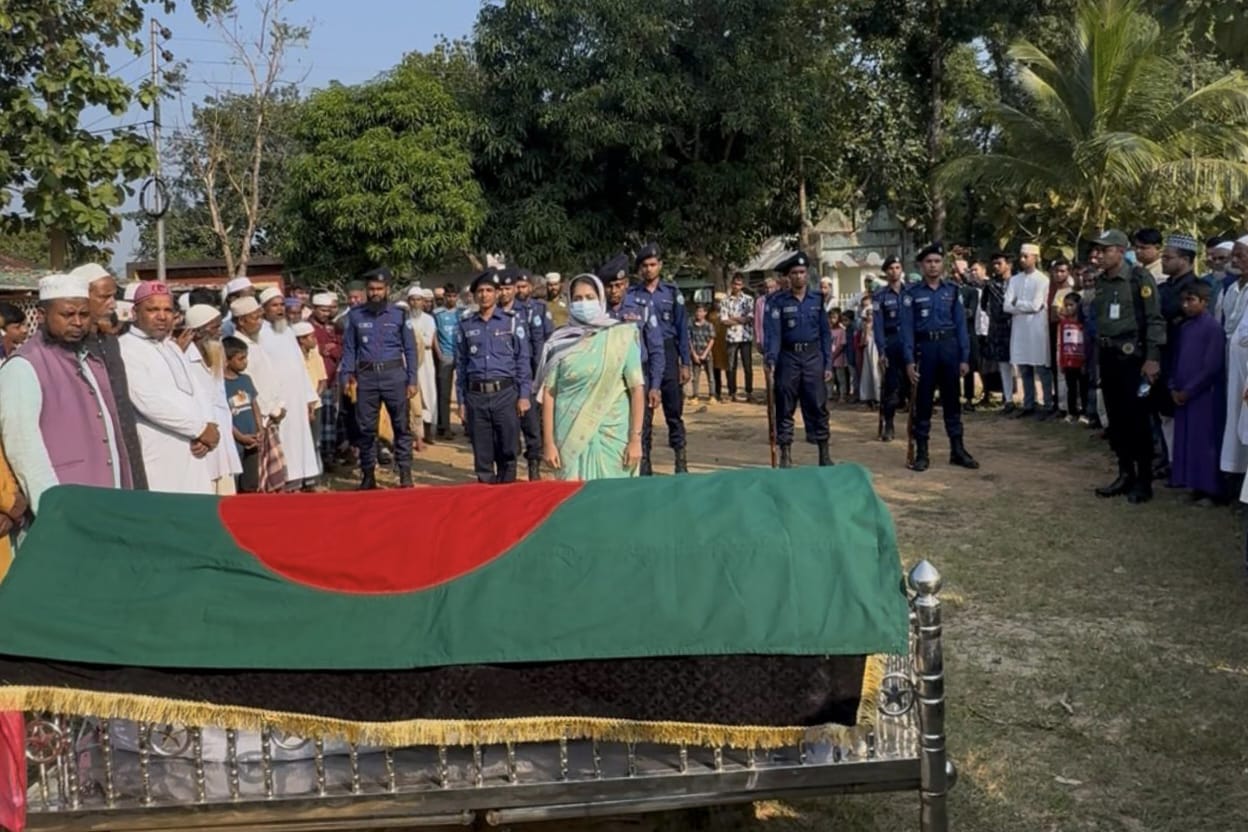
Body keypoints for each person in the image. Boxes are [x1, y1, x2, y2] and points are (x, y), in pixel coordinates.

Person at [0, 274, 137, 514]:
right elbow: (24, 450)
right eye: (67, 314)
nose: (77, 322)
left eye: (84, 314)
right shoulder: (24, 366)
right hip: (65, 508)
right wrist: (54, 512)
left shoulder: (89, 360)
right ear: (41, 315)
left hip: (106, 501)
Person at [536, 273, 645, 480]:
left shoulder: (621, 336)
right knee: (575, 496)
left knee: (614, 495)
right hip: (568, 437)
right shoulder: (559, 342)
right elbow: (549, 394)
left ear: (601, 299)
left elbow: (637, 389)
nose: (583, 303)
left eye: (589, 297)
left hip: (613, 437)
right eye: (577, 299)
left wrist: (635, 440)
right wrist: (549, 443)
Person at [119, 282, 216, 495]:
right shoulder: (126, 348)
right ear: (135, 312)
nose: (162, 316)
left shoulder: (172, 346)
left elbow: (197, 391)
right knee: (166, 508)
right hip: (160, 453)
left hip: (194, 448)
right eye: (153, 309)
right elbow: (146, 401)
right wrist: (199, 429)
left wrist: (209, 425)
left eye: (167, 310)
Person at [1091, 229, 1166, 504]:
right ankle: (1125, 473)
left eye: (1105, 250)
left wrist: (1152, 357)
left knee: (1137, 419)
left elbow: (1155, 319)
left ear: (1121, 252)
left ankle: (1144, 480)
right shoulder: (1101, 281)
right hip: (1108, 354)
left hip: (1133, 356)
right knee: (1116, 419)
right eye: (1098, 250)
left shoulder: (1138, 278)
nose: (1099, 255)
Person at [69, 263, 150, 489]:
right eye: (104, 297)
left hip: (126, 442)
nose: (112, 304)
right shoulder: (69, 348)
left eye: (113, 296)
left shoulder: (109, 341)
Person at [899, 243, 978, 472]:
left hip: (949, 349)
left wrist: (964, 357)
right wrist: (909, 361)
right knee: (923, 403)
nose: (933, 266)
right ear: (921, 266)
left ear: (943, 264)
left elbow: (961, 326)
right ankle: (922, 453)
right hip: (925, 351)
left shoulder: (952, 291)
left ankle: (957, 450)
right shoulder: (911, 294)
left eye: (937, 261)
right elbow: (906, 330)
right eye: (928, 262)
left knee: (952, 401)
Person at [340, 268, 418, 490]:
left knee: (401, 426)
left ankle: (404, 472)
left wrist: (412, 380)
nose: (375, 293)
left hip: (394, 376)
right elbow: (350, 349)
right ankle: (368, 475)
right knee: (366, 429)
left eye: (379, 289)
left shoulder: (399, 315)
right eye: (371, 289)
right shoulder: (356, 316)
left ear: (387, 290)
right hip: (366, 378)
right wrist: (346, 375)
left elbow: (410, 349)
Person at [456, 268, 532, 484]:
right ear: (474, 295)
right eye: (480, 291)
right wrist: (461, 401)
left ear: (497, 293)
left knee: (508, 450)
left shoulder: (511, 322)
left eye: (489, 290)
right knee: (483, 454)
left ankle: (507, 494)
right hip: (476, 396)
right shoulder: (466, 325)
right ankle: (487, 495)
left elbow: (522, 360)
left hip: (505, 394)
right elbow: (461, 365)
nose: (484, 295)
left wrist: (524, 395)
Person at [763, 252, 832, 468]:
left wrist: (828, 363)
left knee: (818, 405)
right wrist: (771, 359)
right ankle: (786, 453)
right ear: (788, 276)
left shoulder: (817, 300)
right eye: (794, 273)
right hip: (788, 358)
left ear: (807, 274)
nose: (799, 276)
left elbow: (825, 333)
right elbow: (774, 334)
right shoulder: (778, 302)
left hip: (813, 358)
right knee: (785, 405)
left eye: (802, 272)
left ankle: (824, 452)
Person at [629, 244, 690, 474]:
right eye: (644, 265)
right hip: (643, 355)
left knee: (674, 411)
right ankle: (645, 464)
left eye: (653, 264)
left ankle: (680, 459)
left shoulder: (672, 293)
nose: (649, 269)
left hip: (669, 350)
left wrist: (685, 362)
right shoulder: (632, 295)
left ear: (660, 265)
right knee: (644, 414)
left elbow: (682, 329)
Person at [256, 287, 322, 491]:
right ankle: (284, 480)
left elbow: (300, 366)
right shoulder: (259, 333)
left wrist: (310, 398)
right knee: (284, 439)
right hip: (278, 398)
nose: (279, 309)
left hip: (298, 397)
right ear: (264, 309)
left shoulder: (288, 331)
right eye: (274, 305)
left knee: (300, 438)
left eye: (281, 305)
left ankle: (302, 479)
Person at [1167, 283, 1225, 504]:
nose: (1186, 305)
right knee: (1187, 440)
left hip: (1203, 395)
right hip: (1182, 392)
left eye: (1191, 300)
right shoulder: (1185, 328)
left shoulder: (1213, 329)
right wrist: (1173, 386)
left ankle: (1211, 490)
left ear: (1204, 301)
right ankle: (1193, 484)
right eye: (1184, 301)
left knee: (1204, 441)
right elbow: (1177, 358)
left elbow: (1211, 366)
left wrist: (1189, 390)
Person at [601, 254, 664, 412]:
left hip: (638, 376)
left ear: (626, 284)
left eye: (618, 285)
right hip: (607, 379)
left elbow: (656, 348)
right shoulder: (597, 311)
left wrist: (655, 386)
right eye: (609, 286)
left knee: (641, 425)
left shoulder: (641, 307)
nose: (614, 291)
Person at [497, 269, 544, 479]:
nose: (504, 293)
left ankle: (534, 467)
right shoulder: (493, 313)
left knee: (531, 426)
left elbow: (537, 343)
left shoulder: (529, 311)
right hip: (505, 379)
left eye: (508, 288)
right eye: (501, 289)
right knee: (508, 429)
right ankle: (510, 470)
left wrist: (537, 376)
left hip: (527, 377)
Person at [1005, 243, 1053, 418]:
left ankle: (1047, 404)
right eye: (1021, 256)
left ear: (1035, 258)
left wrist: (1017, 303)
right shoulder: (1014, 280)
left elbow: (1036, 305)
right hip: (1020, 329)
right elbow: (1006, 306)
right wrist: (1021, 306)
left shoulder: (1043, 280)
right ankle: (1029, 403)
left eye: (1026, 256)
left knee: (1041, 367)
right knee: (1024, 368)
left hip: (1037, 329)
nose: (1022, 259)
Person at [873, 256, 909, 440]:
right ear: (886, 272)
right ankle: (888, 424)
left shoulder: (911, 292)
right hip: (892, 341)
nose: (894, 271)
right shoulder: (880, 295)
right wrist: (881, 350)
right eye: (890, 268)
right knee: (891, 387)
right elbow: (878, 325)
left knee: (913, 386)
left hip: (909, 342)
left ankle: (915, 426)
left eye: (897, 267)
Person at [223, 336, 263, 493]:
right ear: (227, 360)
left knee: (251, 481)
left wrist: (260, 428)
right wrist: (240, 436)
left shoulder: (246, 380)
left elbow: (254, 405)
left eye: (246, 357)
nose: (245, 362)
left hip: (253, 438)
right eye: (241, 359)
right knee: (234, 480)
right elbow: (224, 416)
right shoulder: (221, 384)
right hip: (235, 442)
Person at [1223, 235, 1248, 487]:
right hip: (1234, 367)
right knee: (1234, 420)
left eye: (1241, 255)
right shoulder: (1232, 289)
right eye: (1234, 255)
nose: (1235, 260)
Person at [308, 292, 342, 466]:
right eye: (322, 310)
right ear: (314, 309)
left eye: (328, 310)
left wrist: (334, 349)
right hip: (313, 380)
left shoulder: (334, 327)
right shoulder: (307, 327)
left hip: (331, 379)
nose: (326, 314)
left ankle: (329, 454)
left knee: (330, 417)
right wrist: (321, 349)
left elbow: (342, 348)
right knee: (316, 419)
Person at [404, 285, 439, 448]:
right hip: (408, 361)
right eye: (412, 300)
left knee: (428, 394)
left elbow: (428, 341)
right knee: (412, 397)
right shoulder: (405, 320)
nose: (415, 303)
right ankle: (414, 434)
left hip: (426, 361)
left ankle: (429, 430)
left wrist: (414, 339)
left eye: (418, 300)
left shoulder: (429, 319)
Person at [982, 253, 1016, 411]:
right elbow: (984, 305)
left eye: (999, 263)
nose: (996, 267)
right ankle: (1008, 399)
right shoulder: (990, 285)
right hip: (998, 328)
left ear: (1008, 265)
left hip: (1017, 326)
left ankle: (1031, 398)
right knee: (1003, 363)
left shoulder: (1017, 282)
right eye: (994, 263)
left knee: (1023, 364)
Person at [719, 273, 754, 402]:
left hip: (745, 337)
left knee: (747, 366)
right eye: (735, 284)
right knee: (731, 366)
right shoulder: (725, 300)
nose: (736, 287)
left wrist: (733, 318)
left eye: (739, 284)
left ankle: (749, 392)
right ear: (731, 284)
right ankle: (731, 392)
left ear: (742, 285)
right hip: (732, 337)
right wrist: (741, 319)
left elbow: (750, 318)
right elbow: (724, 320)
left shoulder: (748, 300)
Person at [433, 284, 461, 439]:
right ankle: (444, 426)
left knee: (464, 391)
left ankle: (468, 425)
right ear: (444, 297)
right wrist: (439, 353)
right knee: (444, 393)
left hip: (461, 355)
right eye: (448, 296)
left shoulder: (462, 313)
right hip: (446, 355)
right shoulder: (438, 314)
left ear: (457, 297)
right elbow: (434, 335)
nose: (451, 299)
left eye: (454, 296)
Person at [1057, 293, 1088, 422]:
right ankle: (1072, 412)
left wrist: (1085, 361)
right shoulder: (1063, 323)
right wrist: (1062, 362)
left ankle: (1085, 412)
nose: (1068, 308)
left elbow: (1087, 344)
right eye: (1066, 305)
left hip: (1081, 362)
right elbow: (1061, 344)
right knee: (1071, 388)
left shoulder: (1083, 323)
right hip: (1068, 362)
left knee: (1083, 388)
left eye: (1071, 305)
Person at [689, 304, 715, 402]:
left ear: (705, 313)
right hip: (695, 354)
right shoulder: (691, 326)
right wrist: (694, 354)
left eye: (700, 311)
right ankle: (695, 395)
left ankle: (712, 395)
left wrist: (705, 353)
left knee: (710, 376)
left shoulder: (709, 325)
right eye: (697, 311)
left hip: (707, 354)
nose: (698, 313)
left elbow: (712, 340)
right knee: (695, 377)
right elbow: (689, 340)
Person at [830, 309, 849, 402]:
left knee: (840, 377)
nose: (831, 320)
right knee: (830, 377)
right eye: (830, 318)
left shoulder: (842, 331)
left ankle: (842, 395)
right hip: (829, 357)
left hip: (838, 357)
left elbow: (842, 345)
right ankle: (830, 394)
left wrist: (834, 355)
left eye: (834, 318)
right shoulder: (828, 330)